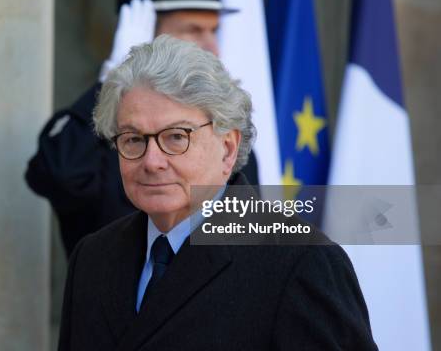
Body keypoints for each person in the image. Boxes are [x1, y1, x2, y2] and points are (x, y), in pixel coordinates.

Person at [57, 36, 377, 350]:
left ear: (227, 149)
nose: (152, 161)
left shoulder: (301, 262)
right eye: (133, 139)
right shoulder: (93, 258)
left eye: (175, 137)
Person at [26, 0, 259, 256]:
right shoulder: (106, 130)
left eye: (213, 30)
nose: (212, 46)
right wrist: (112, 77)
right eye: (193, 30)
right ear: (144, 34)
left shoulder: (221, 128)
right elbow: (59, 172)